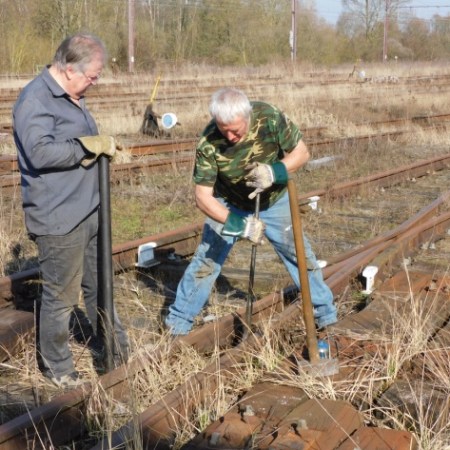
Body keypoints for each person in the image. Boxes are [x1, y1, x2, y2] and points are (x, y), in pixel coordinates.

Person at [164, 87, 337, 335]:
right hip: (228, 202)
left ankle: (326, 315)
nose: (231, 136)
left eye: (236, 130)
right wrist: (238, 225)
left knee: (299, 255)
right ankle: (178, 326)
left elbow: (302, 153)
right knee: (206, 261)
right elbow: (203, 197)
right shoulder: (209, 141)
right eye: (225, 130)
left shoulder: (269, 117)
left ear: (248, 116)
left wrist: (273, 172)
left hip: (274, 200)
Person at [13, 33, 129, 388]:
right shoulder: (35, 99)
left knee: (100, 287)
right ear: (66, 67)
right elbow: (40, 153)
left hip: (89, 209)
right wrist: (84, 145)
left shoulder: (74, 95)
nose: (94, 82)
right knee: (61, 297)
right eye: (91, 75)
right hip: (59, 216)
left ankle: (116, 353)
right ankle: (58, 369)